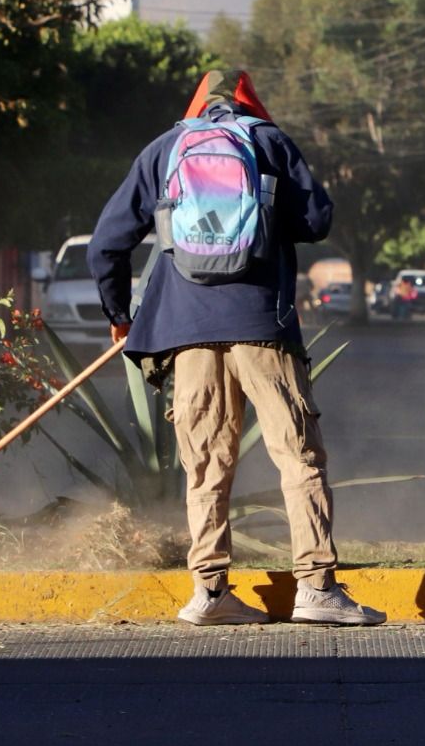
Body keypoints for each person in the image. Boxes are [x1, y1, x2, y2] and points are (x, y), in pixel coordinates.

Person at [87, 69, 385, 627]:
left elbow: (106, 244)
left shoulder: (164, 149)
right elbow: (317, 220)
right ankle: (316, 588)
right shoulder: (269, 141)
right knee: (298, 456)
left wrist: (119, 315)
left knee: (205, 464)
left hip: (187, 332)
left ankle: (209, 592)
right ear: (252, 103)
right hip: (262, 325)